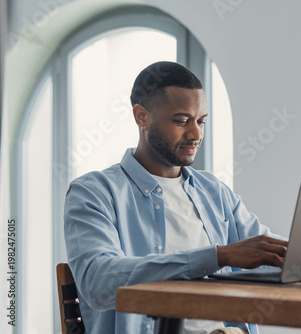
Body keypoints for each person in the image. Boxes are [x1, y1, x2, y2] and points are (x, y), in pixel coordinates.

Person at [64, 61, 287, 334]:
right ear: (141, 117)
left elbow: (272, 255)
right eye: (182, 121)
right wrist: (218, 256)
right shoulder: (94, 192)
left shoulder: (214, 191)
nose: (195, 134)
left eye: (201, 121)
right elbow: (98, 283)